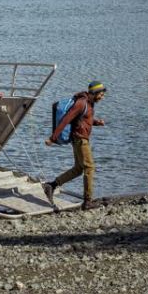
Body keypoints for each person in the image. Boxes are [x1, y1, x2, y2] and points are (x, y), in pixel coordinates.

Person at [44, 81, 108, 210]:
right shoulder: (81, 103)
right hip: (80, 140)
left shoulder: (89, 103)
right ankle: (87, 201)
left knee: (79, 169)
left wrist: (96, 123)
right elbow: (66, 119)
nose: (102, 97)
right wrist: (53, 138)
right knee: (89, 168)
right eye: (101, 94)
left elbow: (84, 119)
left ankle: (51, 185)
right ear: (94, 93)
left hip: (80, 139)